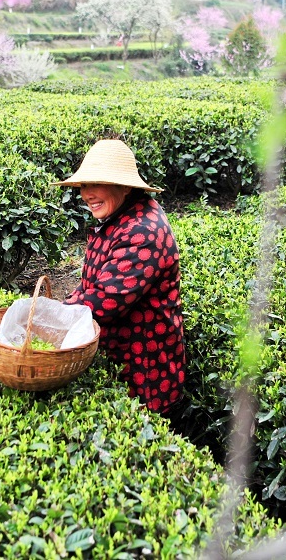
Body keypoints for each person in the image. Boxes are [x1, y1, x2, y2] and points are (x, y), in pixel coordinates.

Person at [52, 139, 186, 413]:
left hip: (146, 373)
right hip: (121, 358)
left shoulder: (142, 231)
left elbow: (105, 301)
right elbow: (93, 285)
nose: (87, 194)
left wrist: (52, 319)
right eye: (84, 185)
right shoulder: (120, 216)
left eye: (96, 183)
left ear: (125, 186)